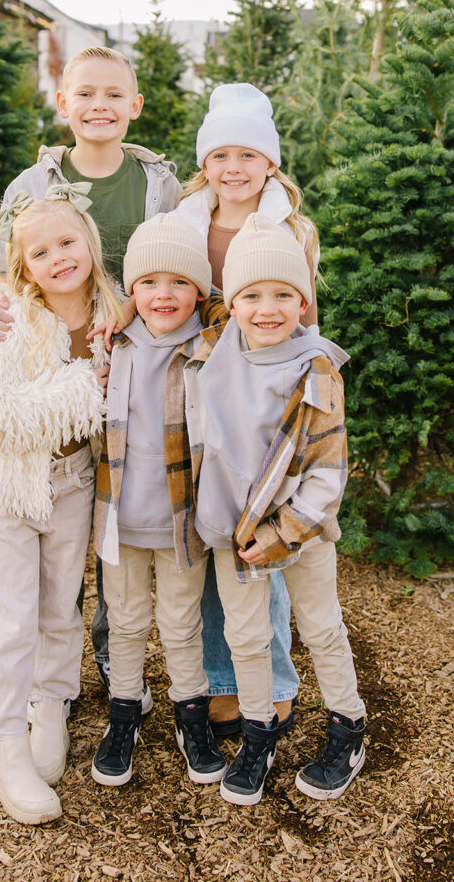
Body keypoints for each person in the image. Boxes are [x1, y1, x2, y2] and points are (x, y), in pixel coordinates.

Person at [0, 46, 181, 699]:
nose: (99, 106)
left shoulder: (156, 185)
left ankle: (115, 655)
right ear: (63, 105)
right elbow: (2, 272)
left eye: (113, 95)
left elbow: (177, 268)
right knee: (60, 528)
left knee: (118, 522)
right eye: (84, 94)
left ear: (134, 107)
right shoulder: (29, 187)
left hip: (130, 377)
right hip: (53, 379)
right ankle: (39, 686)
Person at [185, 214, 366, 806]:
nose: (268, 309)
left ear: (304, 300)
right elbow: (172, 299)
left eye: (284, 294)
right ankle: (258, 734)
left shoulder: (316, 372)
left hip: (300, 531)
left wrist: (283, 535)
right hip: (231, 530)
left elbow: (326, 477)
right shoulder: (217, 347)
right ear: (231, 303)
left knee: (319, 627)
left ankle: (348, 726)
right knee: (247, 637)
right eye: (252, 295)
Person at [0, 184, 124, 824]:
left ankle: (51, 701)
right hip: (10, 482)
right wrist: (85, 384)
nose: (58, 257)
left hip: (74, 476)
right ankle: (4, 748)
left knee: (62, 599)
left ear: (89, 241)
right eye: (40, 251)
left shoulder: (115, 312)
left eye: (67, 242)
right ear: (21, 266)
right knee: (13, 608)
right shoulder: (7, 316)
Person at [170, 82, 318, 737]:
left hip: (259, 400)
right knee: (207, 540)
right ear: (203, 163)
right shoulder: (181, 224)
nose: (233, 167)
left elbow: (301, 315)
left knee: (259, 541)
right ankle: (224, 679)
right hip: (197, 396)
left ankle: (276, 680)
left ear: (270, 164)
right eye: (220, 153)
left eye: (248, 155)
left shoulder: (290, 229)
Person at [90, 215, 226, 788]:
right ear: (131, 291)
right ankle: (123, 715)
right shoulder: (114, 342)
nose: (163, 295)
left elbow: (236, 306)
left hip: (181, 519)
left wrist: (213, 298)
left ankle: (189, 715)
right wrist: (119, 310)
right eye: (148, 282)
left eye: (179, 282)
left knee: (180, 622)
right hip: (120, 516)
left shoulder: (212, 341)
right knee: (124, 622)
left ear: (199, 289)